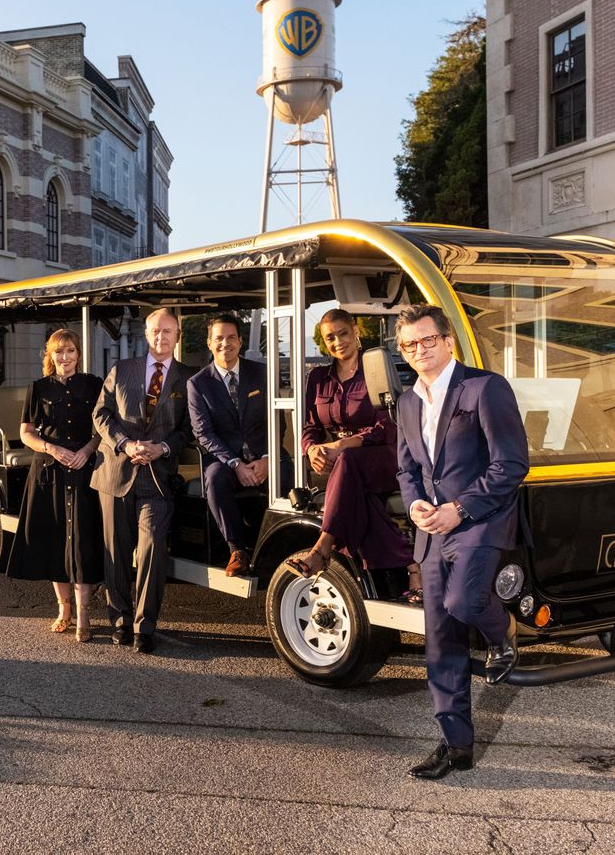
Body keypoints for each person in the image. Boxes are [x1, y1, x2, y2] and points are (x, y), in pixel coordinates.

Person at [392, 303, 528, 780]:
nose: (419, 350)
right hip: (431, 534)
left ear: (448, 341)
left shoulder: (485, 388)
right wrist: (415, 507)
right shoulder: (407, 402)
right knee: (440, 642)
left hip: (478, 523)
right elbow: (407, 470)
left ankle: (504, 631)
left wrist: (460, 509)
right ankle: (456, 746)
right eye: (409, 345)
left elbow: (510, 463)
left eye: (427, 340)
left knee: (467, 603)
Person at [287, 309, 418, 599]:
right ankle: (412, 566)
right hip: (342, 465)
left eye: (343, 333)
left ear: (356, 330)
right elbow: (309, 427)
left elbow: (386, 428)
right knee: (361, 497)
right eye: (330, 337)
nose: (338, 341)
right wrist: (312, 450)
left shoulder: (376, 370)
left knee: (349, 463)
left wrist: (338, 447)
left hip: (385, 456)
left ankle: (323, 547)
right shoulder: (318, 377)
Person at [91, 308, 196, 654]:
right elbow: (101, 414)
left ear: (177, 336)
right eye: (155, 331)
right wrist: (125, 443)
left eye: (168, 331)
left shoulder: (187, 378)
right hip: (116, 473)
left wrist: (163, 447)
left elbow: (188, 430)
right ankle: (120, 620)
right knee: (116, 551)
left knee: (151, 550)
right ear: (147, 334)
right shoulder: (122, 370)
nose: (161, 337)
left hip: (158, 477)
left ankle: (144, 626)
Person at [5, 329, 104, 643]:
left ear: (78, 354)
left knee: (83, 541)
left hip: (85, 468)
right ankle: (64, 610)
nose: (65, 358)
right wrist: (52, 449)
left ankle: (84, 613)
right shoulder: (38, 388)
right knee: (56, 539)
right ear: (50, 355)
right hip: (49, 470)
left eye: (71, 351)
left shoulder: (93, 384)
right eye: (59, 352)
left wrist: (86, 451)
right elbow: (26, 432)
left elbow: (102, 428)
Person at [187, 313, 270, 577]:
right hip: (225, 460)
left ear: (241, 341)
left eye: (231, 337)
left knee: (292, 475)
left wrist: (267, 458)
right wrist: (235, 464)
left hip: (264, 456)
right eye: (219, 338)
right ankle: (237, 550)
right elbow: (203, 434)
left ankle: (285, 545)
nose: (226, 343)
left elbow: (275, 420)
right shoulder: (198, 384)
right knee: (214, 478)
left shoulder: (261, 373)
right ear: (209, 343)